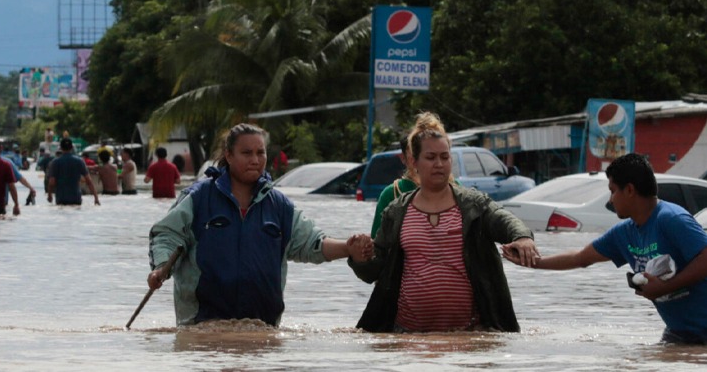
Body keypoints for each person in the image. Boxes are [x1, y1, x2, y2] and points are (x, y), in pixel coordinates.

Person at [147, 123, 373, 327]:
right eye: (246, 153)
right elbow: (167, 236)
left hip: (262, 330)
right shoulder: (198, 198)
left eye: (260, 153)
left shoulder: (279, 205)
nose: (255, 160)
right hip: (201, 328)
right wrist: (161, 268)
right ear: (229, 155)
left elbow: (312, 243)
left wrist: (347, 248)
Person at [349, 112, 538, 333]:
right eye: (431, 157)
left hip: (471, 334)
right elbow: (375, 271)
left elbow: (505, 220)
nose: (439, 164)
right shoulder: (396, 211)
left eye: (445, 157)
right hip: (407, 336)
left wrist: (523, 237)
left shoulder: (473, 205)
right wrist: (358, 258)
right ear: (413, 162)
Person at [503, 153, 707, 344]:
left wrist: (665, 287)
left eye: (612, 191)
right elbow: (580, 258)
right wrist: (533, 262)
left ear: (629, 190)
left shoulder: (671, 218)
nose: (610, 200)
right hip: (679, 333)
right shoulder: (624, 233)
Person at [370, 135, 419, 238]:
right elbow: (377, 242)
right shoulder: (391, 194)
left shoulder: (454, 190)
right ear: (403, 158)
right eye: (414, 154)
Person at [47, 138, 100, 206]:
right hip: (76, 198)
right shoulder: (79, 161)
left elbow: (52, 182)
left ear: (60, 148)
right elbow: (89, 181)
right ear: (72, 147)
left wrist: (49, 196)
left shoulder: (55, 162)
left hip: (61, 198)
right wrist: (96, 198)